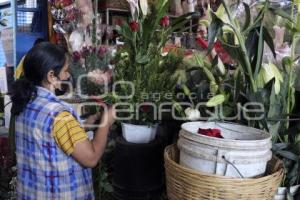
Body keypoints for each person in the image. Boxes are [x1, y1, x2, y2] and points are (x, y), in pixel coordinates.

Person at [11, 42, 115, 199]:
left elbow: (52, 136)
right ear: (51, 76)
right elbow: (91, 158)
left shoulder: (25, 102)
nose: (68, 75)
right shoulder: (60, 115)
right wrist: (107, 121)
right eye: (65, 70)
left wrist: (88, 123)